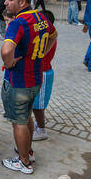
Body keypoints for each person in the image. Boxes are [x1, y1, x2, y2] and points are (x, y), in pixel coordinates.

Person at [1, 0, 57, 174]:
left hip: (18, 82)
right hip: (35, 79)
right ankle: (28, 151)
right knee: (27, 117)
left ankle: (24, 161)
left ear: (22, 2)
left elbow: (6, 50)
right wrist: (39, 55)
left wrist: (9, 63)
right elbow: (53, 35)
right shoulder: (41, 16)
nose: (5, 3)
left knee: (19, 122)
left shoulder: (18, 22)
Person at [31, 10, 57, 141]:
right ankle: (38, 123)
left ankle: (41, 129)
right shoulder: (44, 36)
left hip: (44, 73)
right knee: (36, 104)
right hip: (39, 72)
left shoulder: (47, 38)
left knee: (38, 105)